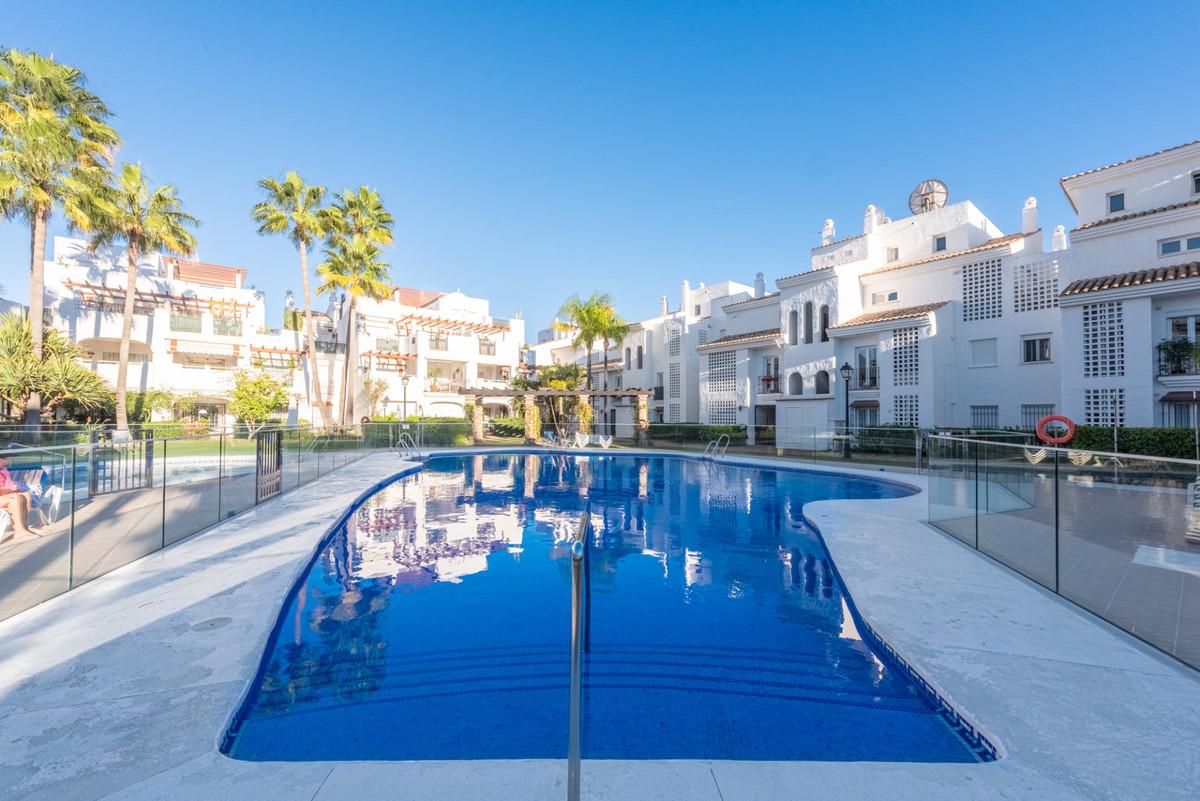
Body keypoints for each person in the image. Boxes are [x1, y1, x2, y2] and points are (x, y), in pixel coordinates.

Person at [0, 456, 37, 542]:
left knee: (26, 495)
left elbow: (9, 485)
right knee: (15, 498)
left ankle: (25, 527)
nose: (8, 462)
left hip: (3, 496)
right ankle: (19, 531)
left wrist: (13, 489)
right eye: (5, 459)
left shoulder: (4, 471)